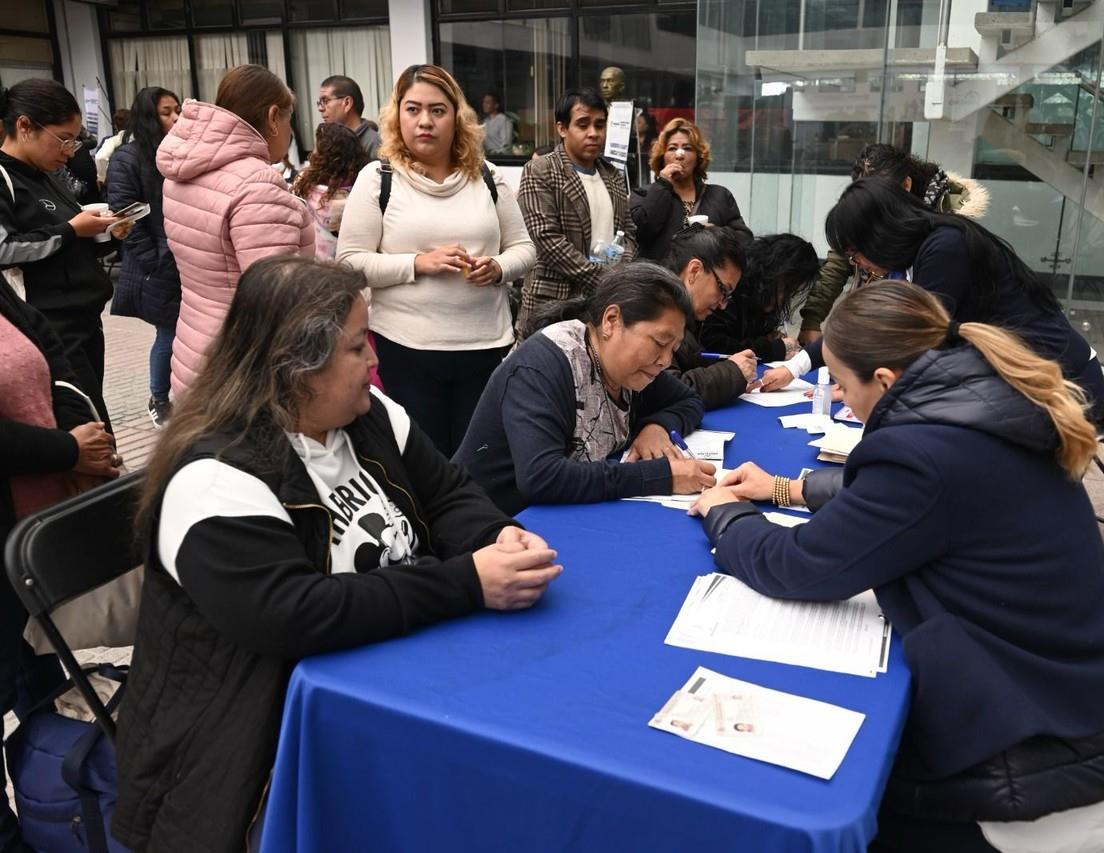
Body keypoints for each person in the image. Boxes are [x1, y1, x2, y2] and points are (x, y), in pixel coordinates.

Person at [111, 256, 562, 852]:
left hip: (390, 678)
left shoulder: (369, 417)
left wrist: (492, 537)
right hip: (249, 749)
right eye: (357, 347)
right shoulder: (217, 479)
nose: (374, 360)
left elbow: (448, 493)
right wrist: (467, 583)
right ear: (297, 368)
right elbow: (293, 615)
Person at [690, 280, 1104, 853]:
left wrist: (725, 514)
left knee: (830, 804)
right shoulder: (980, 400)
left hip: (1038, 792)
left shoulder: (925, 452)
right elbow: (909, 499)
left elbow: (797, 565)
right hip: (1090, 726)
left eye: (839, 379)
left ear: (883, 381)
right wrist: (788, 487)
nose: (835, 391)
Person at [762, 176, 1103, 405]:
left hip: (1057, 379)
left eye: (855, 252)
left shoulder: (945, 247)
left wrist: (860, 387)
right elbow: (867, 324)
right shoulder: (905, 263)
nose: (858, 263)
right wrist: (795, 368)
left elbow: (921, 342)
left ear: (879, 234)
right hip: (1017, 380)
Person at [338, 64, 535, 457]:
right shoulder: (379, 178)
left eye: (437, 110)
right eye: (413, 109)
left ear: (457, 117)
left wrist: (497, 268)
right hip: (407, 350)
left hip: (486, 348)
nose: (425, 121)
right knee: (424, 465)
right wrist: (417, 263)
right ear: (397, 116)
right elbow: (349, 263)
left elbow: (525, 250)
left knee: (477, 464)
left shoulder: (488, 176)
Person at [0, 277, 120, 853]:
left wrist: (83, 431)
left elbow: (48, 344)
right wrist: (65, 450)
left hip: (31, 541)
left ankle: (55, 807)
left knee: (44, 687)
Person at [454, 263, 715, 516]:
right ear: (611, 321)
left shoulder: (630, 366)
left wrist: (658, 427)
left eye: (674, 349)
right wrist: (662, 476)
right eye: (660, 342)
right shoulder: (543, 367)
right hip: (492, 525)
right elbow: (541, 476)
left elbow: (689, 401)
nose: (665, 360)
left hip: (564, 516)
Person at [158, 64, 315, 397]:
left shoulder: (183, 172)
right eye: (290, 119)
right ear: (274, 118)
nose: (290, 131)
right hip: (244, 367)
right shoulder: (257, 185)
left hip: (194, 347)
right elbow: (276, 298)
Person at [0, 78, 125, 429]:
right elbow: (5, 249)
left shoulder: (49, 175)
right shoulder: (4, 178)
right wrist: (72, 229)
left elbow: (69, 241)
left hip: (86, 317)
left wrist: (107, 234)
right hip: (49, 323)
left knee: (91, 415)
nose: (70, 150)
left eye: (74, 139)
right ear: (24, 125)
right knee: (89, 423)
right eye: (63, 138)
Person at [798, 142, 989, 345]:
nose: (871, 206)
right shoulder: (869, 207)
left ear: (906, 185)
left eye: (877, 198)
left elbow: (928, 326)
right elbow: (838, 262)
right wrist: (812, 320)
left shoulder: (945, 237)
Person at [516, 87, 635, 338]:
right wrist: (605, 280)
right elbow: (547, 240)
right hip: (553, 303)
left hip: (601, 305)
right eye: (583, 125)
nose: (594, 133)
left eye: (600, 125)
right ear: (562, 128)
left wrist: (620, 274)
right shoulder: (540, 170)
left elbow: (628, 232)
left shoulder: (613, 175)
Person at [107, 86, 183, 428]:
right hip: (159, 258)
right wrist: (153, 257)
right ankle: (159, 397)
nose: (176, 118)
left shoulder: (182, 151)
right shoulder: (129, 156)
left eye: (177, 110)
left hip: (186, 254)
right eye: (167, 112)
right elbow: (124, 214)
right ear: (149, 117)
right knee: (168, 332)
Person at [660, 224, 756, 409]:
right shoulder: (653, 308)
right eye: (722, 290)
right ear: (694, 271)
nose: (723, 304)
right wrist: (732, 373)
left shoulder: (683, 312)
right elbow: (668, 392)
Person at [629, 117, 752, 261]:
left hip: (705, 279)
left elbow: (745, 239)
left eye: (687, 148)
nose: (679, 155)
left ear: (698, 158)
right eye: (672, 148)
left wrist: (716, 234)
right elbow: (640, 232)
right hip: (661, 280)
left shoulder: (720, 196)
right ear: (662, 158)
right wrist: (663, 185)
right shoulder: (643, 195)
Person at [700, 234, 820, 362]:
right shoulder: (733, 289)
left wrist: (768, 338)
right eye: (786, 289)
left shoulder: (761, 299)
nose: (783, 298)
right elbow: (716, 347)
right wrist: (774, 348)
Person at [293, 122, 371, 259]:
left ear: (323, 155)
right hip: (354, 263)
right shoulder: (367, 188)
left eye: (316, 148)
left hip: (314, 264)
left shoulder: (305, 186)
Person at [317, 74, 381, 159]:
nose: (320, 108)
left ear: (347, 103)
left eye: (325, 101)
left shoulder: (376, 146)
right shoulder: (327, 142)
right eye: (319, 103)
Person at [93, 106, 131, 186]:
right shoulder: (140, 139)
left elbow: (100, 157)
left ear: (115, 125)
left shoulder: (111, 141)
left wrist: (102, 177)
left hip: (116, 182)